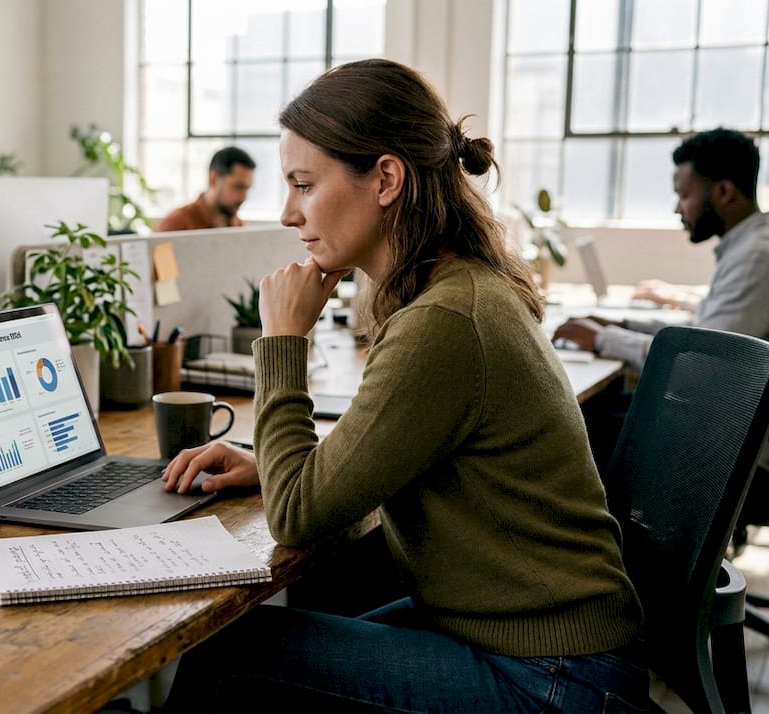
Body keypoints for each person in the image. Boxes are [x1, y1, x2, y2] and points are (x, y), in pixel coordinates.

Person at [160, 58, 646, 712]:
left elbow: (300, 515)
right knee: (271, 635)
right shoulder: (459, 290)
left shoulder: (443, 321)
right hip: (530, 642)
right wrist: (267, 464)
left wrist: (281, 343)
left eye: (303, 184)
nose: (285, 211)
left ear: (386, 178)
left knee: (228, 657)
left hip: (548, 675)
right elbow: (362, 460)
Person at [554, 128, 769, 372]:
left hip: (716, 417)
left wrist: (602, 338)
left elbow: (701, 359)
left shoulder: (759, 257)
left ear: (724, 192)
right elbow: (702, 333)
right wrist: (622, 325)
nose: (677, 209)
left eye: (684, 195)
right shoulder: (759, 246)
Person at [155, 147, 255, 231]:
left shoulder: (239, 226)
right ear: (214, 179)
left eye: (246, 189)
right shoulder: (175, 225)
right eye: (238, 187)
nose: (243, 197)